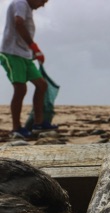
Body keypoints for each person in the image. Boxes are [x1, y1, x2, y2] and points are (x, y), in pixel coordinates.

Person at [0, 0, 58, 138]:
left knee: (41, 84)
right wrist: (33, 46)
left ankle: (39, 123)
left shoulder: (28, 8)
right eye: (43, 1)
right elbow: (18, 22)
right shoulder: (20, 3)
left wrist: (32, 52)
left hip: (24, 54)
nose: (43, 5)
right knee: (20, 89)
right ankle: (16, 128)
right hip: (11, 52)